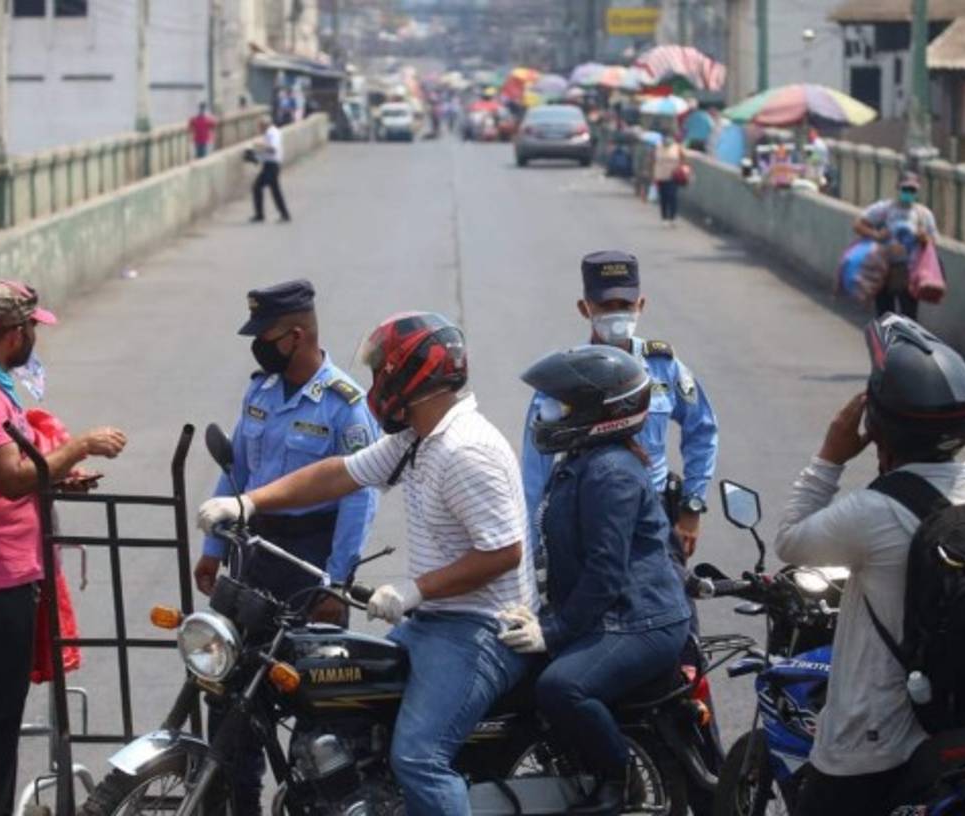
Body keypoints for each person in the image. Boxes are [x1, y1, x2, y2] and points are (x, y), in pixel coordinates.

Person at [199, 312, 534, 816]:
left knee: (420, 758)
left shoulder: (466, 450)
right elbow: (338, 475)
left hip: (479, 630)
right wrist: (249, 503)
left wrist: (415, 590)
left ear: (413, 375)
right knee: (343, 712)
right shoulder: (419, 439)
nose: (377, 384)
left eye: (383, 372)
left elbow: (503, 551)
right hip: (432, 624)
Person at [774, 314, 965, 816]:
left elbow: (792, 541)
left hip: (874, 744)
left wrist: (831, 455)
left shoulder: (873, 512)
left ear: (877, 425)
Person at [0, 280, 126, 816]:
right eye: (33, 328)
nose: (36, 337)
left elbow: (20, 473)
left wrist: (58, 476)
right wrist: (78, 444)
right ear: (15, 335)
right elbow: (9, 479)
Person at [193, 280, 380, 816]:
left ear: (297, 336)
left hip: (308, 560)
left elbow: (356, 500)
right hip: (252, 553)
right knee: (227, 686)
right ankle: (235, 802)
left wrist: (334, 582)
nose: (258, 346)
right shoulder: (261, 391)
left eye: (266, 336)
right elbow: (236, 477)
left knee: (311, 698)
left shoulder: (345, 407)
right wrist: (212, 546)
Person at [501, 344, 692, 814]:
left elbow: (605, 574)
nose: (545, 414)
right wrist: (537, 610)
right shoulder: (581, 460)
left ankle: (618, 776)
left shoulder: (611, 472)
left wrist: (553, 631)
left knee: (561, 687)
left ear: (597, 411)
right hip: (608, 612)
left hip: (642, 621)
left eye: (557, 405)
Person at [521, 251, 718, 617]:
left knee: (676, 622)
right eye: (606, 304)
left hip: (654, 518)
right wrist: (533, 551)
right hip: (585, 514)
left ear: (640, 304)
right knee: (581, 617)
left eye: (624, 304)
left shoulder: (664, 367)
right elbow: (535, 472)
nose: (617, 313)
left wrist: (692, 506)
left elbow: (702, 429)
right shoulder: (564, 378)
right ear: (585, 308)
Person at [854, 171, 939, 321]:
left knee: (910, 318)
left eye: (912, 190)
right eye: (905, 189)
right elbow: (858, 225)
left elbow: (933, 241)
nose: (908, 193)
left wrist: (923, 238)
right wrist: (877, 235)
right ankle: (886, 344)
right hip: (884, 270)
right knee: (885, 317)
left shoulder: (923, 214)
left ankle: (906, 344)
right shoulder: (884, 209)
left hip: (909, 272)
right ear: (898, 188)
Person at [250, 115, 291, 224]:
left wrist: (259, 146)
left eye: (260, 126)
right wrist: (256, 156)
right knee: (273, 190)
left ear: (265, 125)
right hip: (269, 164)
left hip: (271, 166)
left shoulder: (272, 133)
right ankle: (284, 214)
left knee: (258, 187)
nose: (260, 129)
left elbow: (272, 149)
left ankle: (261, 215)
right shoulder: (269, 134)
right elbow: (266, 152)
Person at [652, 136, 689, 223]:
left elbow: (684, 158)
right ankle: (664, 217)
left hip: (673, 176)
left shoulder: (677, 148)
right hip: (660, 175)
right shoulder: (658, 147)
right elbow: (653, 160)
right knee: (663, 197)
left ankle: (672, 217)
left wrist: (681, 167)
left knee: (672, 196)